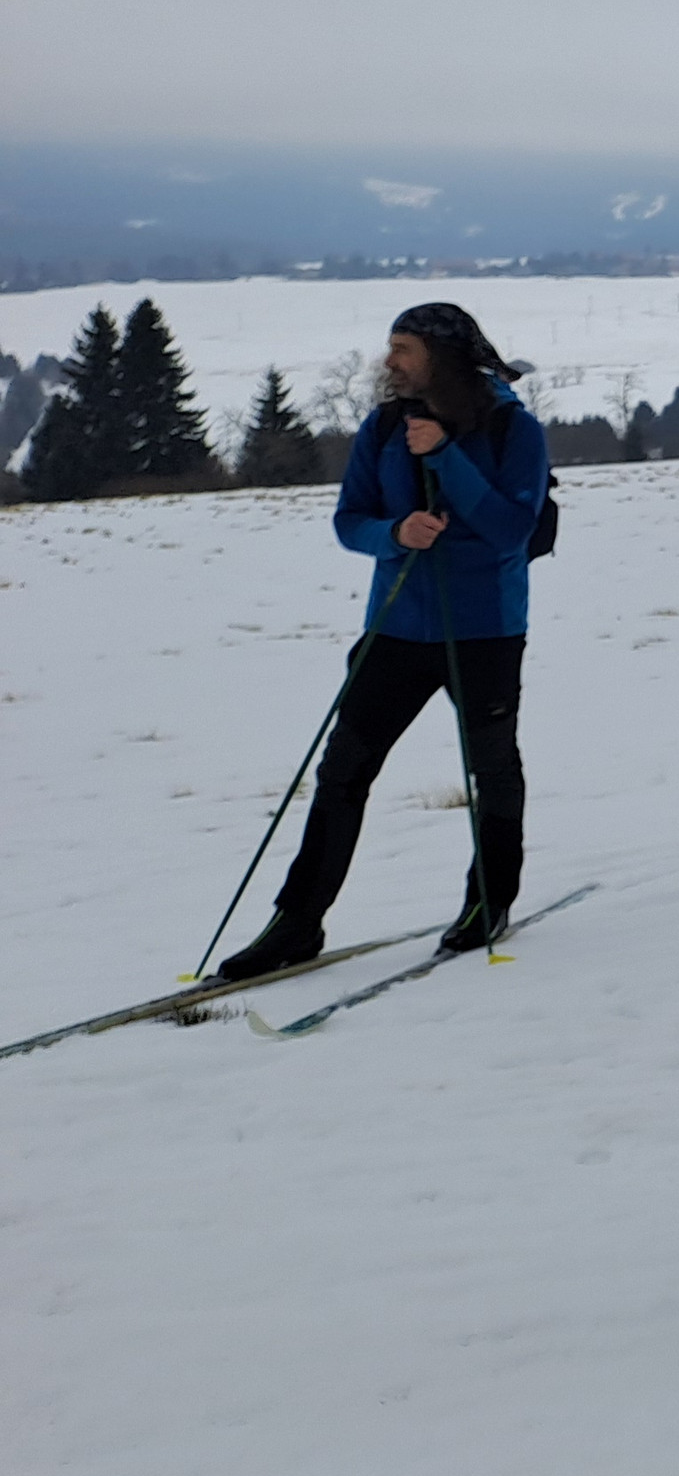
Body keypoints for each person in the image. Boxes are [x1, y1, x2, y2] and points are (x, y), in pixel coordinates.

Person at [214, 304, 550, 979]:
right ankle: (297, 922)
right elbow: (350, 520)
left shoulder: (514, 429)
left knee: (491, 770)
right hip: (394, 628)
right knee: (342, 771)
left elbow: (512, 530)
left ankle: (488, 904)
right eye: (390, 347)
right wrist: (394, 534)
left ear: (441, 357)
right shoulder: (384, 426)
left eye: (403, 349)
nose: (389, 361)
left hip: (485, 629)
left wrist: (446, 457)